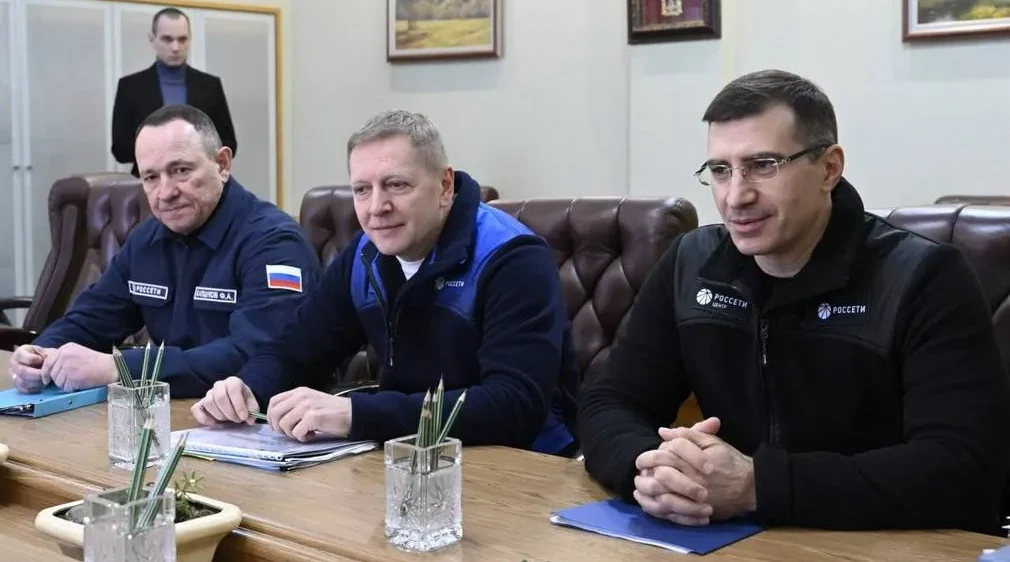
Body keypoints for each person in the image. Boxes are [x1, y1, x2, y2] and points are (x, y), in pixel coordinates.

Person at [577, 69, 1010, 534]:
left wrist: (758, 486)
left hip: (887, 542)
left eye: (764, 165)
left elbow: (963, 468)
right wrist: (651, 470)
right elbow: (609, 402)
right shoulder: (691, 264)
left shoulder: (925, 276)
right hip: (738, 538)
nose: (736, 196)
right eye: (720, 170)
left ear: (829, 168)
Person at [191, 109, 581, 456]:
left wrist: (356, 414)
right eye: (362, 190)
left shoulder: (512, 257)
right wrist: (247, 388)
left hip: (521, 464)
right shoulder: (366, 254)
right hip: (406, 453)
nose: (377, 207)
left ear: (445, 186)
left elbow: (513, 405)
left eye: (397, 185)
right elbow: (295, 350)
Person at [8, 104, 320, 398]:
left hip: (264, 419)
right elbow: (90, 319)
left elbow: (259, 355)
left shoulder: (275, 243)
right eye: (151, 177)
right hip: (172, 412)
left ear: (222, 164)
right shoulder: (147, 240)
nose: (166, 192)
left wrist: (121, 369)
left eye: (181, 170)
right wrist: (42, 353)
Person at [111, 7, 237, 177]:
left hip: (200, 182)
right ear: (152, 39)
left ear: (190, 39)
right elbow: (120, 149)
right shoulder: (130, 87)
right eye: (167, 39)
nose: (176, 47)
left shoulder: (210, 86)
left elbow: (228, 143)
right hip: (150, 183)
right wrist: (164, 148)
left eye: (182, 39)